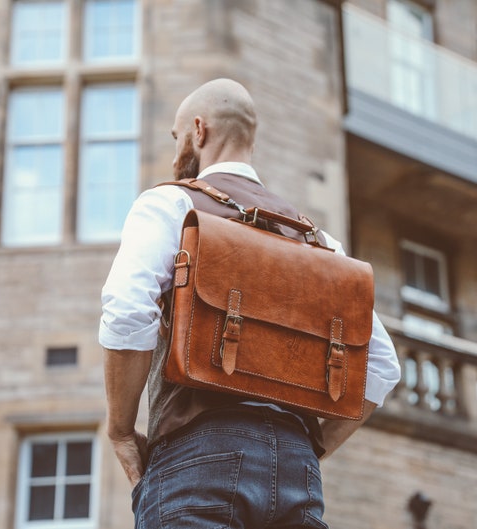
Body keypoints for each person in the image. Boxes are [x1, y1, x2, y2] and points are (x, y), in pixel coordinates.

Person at [100, 78, 401, 528]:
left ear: (198, 130)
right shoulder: (322, 244)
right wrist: (308, 450)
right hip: (298, 474)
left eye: (178, 136)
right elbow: (382, 365)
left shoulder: (171, 203)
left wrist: (122, 431)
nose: (177, 150)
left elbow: (127, 309)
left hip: (198, 456)